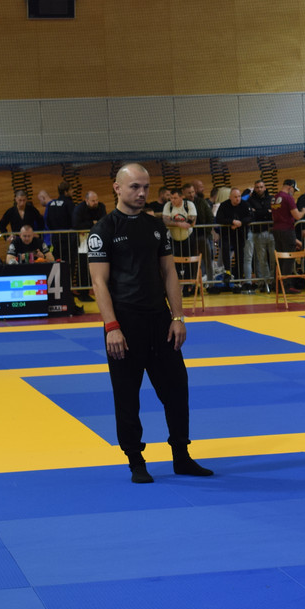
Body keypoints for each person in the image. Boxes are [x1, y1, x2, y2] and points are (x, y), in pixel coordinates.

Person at [87, 163, 211, 484]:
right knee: (127, 396)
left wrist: (178, 317)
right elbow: (99, 283)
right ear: (117, 188)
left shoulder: (156, 227)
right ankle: (136, 460)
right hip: (124, 325)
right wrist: (111, 326)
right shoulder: (103, 230)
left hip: (160, 321)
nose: (141, 193)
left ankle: (181, 455)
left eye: (145, 187)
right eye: (134, 187)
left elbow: (169, 273)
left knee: (177, 389)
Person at [72, 190, 107, 298]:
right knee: (83, 266)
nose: (95, 202)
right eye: (93, 201)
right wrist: (92, 223)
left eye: (96, 200)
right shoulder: (79, 208)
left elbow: (104, 222)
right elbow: (76, 225)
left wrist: (88, 226)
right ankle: (83, 292)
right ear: (86, 200)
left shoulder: (101, 206)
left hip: (97, 240)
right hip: (83, 242)